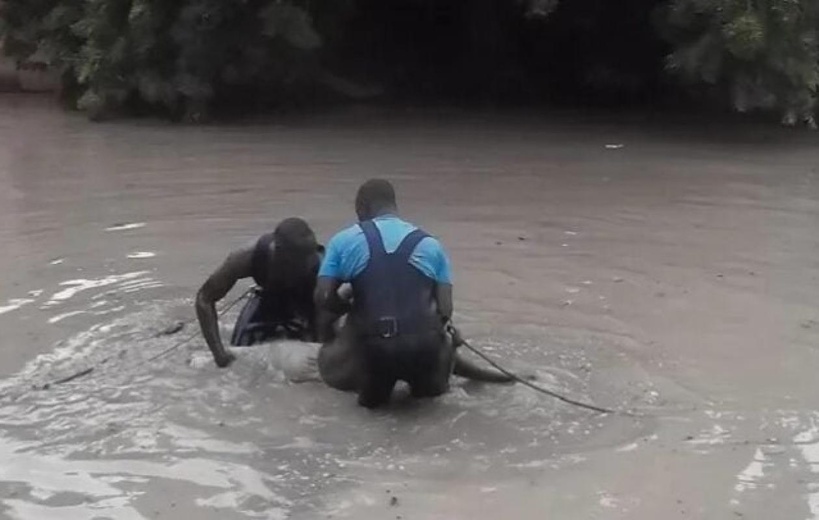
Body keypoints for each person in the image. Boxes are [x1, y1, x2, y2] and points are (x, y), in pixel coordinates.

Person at [315, 179, 468, 408]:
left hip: (377, 349)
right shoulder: (431, 244)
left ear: (361, 208)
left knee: (374, 413)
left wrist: (348, 307)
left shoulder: (343, 240)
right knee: (429, 409)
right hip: (424, 347)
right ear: (394, 205)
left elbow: (323, 297)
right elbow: (445, 309)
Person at [195, 217, 323, 368]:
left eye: (309, 259)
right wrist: (219, 354)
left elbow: (330, 312)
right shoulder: (247, 257)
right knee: (239, 357)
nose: (306, 265)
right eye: (298, 262)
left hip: (308, 299)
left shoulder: (323, 266)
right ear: (278, 251)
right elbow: (204, 299)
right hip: (269, 297)